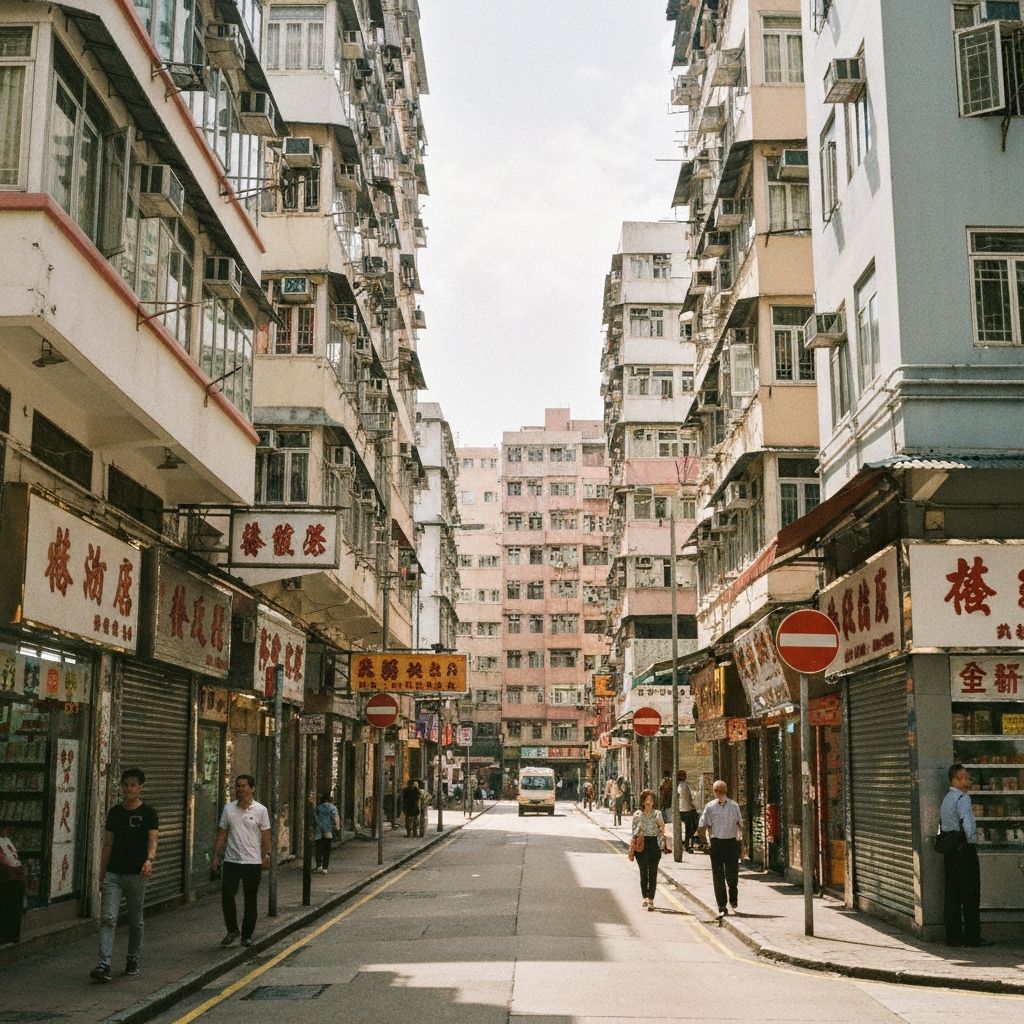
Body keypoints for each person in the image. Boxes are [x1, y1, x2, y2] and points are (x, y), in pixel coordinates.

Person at [90, 768, 159, 982]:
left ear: (140, 788)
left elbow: (152, 839)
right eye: (125, 785)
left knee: (135, 919)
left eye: (132, 785)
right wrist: (101, 874)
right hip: (114, 873)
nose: (127, 789)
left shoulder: (148, 813)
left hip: (136, 874)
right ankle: (104, 964)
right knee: (109, 918)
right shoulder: (115, 813)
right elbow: (108, 844)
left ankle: (132, 958)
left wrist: (149, 860)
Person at [211, 774, 271, 947]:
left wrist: (266, 855)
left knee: (250, 899)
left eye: (244, 786)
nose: (240, 789)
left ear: (252, 789)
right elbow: (222, 832)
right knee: (227, 896)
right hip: (232, 861)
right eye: (237, 786)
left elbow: (266, 835)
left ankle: (247, 935)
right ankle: (232, 930)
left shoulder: (261, 810)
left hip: (252, 862)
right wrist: (216, 855)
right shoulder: (228, 809)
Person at [940, 763, 991, 947]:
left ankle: (953, 936)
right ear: (958, 779)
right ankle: (972, 936)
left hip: (950, 851)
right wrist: (972, 842)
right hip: (964, 851)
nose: (969, 780)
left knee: (952, 894)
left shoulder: (946, 799)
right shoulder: (962, 799)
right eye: (966, 777)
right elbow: (968, 824)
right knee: (970, 894)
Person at [699, 779, 743, 920]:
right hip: (717, 843)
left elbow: (740, 825)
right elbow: (702, 825)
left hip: (731, 843)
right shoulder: (710, 807)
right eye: (718, 791)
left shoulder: (734, 806)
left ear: (723, 791)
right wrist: (706, 842)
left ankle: (733, 898)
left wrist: (741, 845)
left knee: (732, 875)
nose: (719, 793)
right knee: (718, 876)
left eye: (720, 791)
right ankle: (722, 905)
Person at [631, 789, 666, 910]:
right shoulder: (637, 814)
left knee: (653, 873)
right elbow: (634, 831)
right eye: (646, 799)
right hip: (641, 843)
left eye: (651, 800)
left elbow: (662, 828)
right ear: (642, 801)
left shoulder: (657, 813)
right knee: (643, 872)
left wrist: (661, 826)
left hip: (653, 844)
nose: (649, 802)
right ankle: (645, 896)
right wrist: (639, 821)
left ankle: (651, 899)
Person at [313, 792, 340, 874]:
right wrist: (337, 828)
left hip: (319, 831)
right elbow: (336, 818)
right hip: (328, 831)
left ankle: (319, 866)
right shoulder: (333, 807)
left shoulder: (318, 808)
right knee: (327, 849)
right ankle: (325, 868)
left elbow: (315, 819)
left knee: (318, 849)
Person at [677, 769, 699, 853]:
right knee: (690, 828)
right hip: (687, 810)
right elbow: (690, 798)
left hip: (682, 810)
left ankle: (687, 844)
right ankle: (687, 844)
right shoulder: (685, 786)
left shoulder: (679, 786)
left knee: (687, 828)